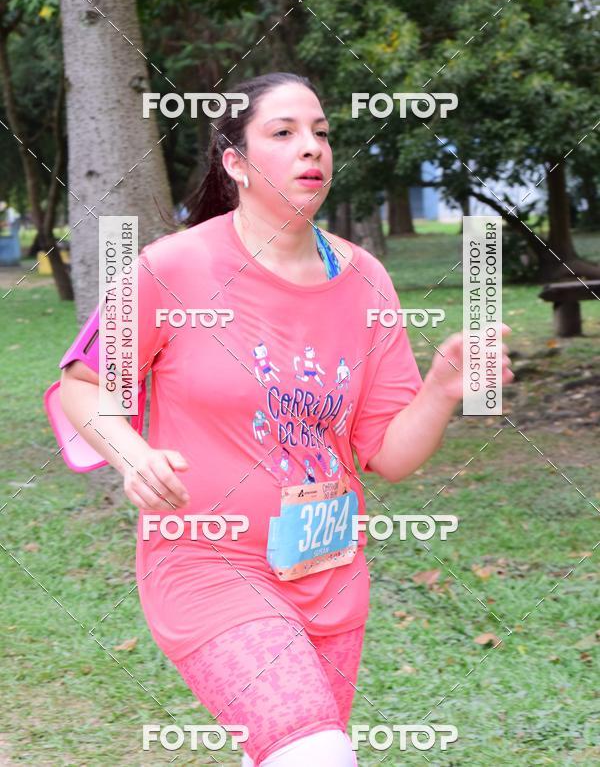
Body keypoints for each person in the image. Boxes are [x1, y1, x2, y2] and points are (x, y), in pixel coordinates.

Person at [58, 72, 513, 765]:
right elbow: (82, 385)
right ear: (235, 163)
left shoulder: (365, 279)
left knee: (287, 751)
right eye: (284, 132)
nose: (313, 148)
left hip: (329, 571)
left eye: (322, 133)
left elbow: (387, 453)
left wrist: (443, 389)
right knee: (317, 753)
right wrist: (132, 455)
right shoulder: (173, 266)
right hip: (209, 563)